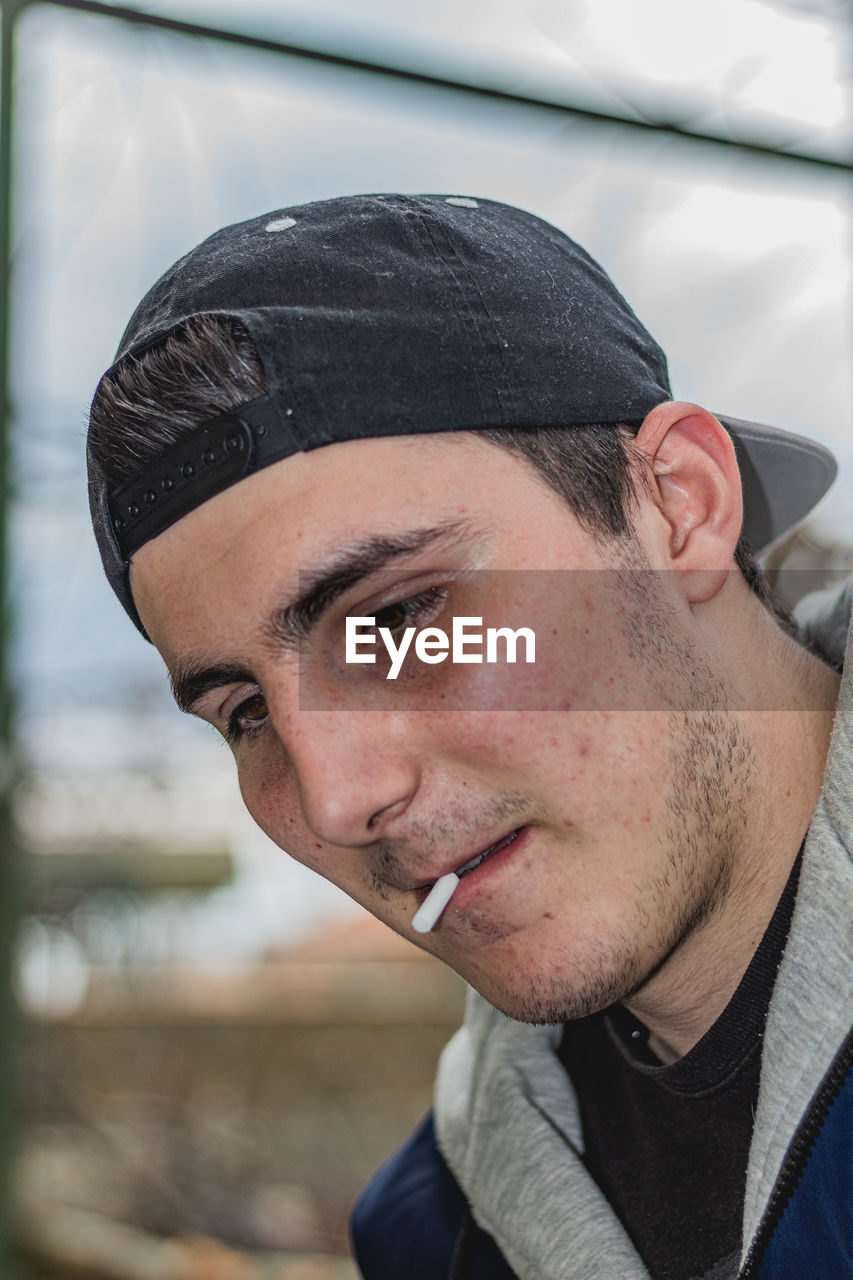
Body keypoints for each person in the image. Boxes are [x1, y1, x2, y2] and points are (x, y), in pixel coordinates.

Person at [86, 195, 852, 1280]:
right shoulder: (429, 1230)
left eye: (398, 615)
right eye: (244, 712)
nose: (336, 797)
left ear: (678, 505)